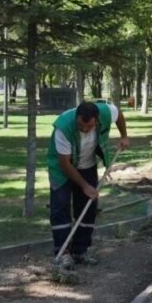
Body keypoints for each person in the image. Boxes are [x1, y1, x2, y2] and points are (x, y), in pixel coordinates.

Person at [46, 100, 129, 270]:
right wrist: (85, 186)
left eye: (89, 127)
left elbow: (119, 115)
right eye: (81, 126)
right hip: (62, 168)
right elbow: (66, 164)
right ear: (76, 118)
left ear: (97, 121)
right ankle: (63, 254)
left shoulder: (106, 112)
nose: (84, 130)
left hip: (87, 164)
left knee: (88, 207)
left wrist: (124, 135)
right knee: (60, 207)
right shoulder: (63, 128)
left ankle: (80, 251)